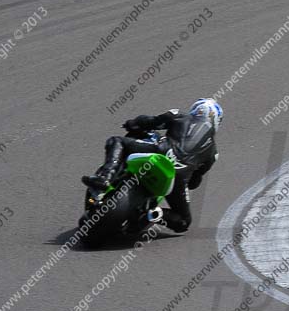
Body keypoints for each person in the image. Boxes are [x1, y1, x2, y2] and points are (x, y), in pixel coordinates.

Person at [81, 98, 223, 233]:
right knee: (184, 221)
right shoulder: (213, 153)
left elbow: (150, 122)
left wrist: (133, 123)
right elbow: (194, 182)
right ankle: (154, 214)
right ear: (217, 121)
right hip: (179, 177)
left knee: (117, 141)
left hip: (160, 152)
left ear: (195, 109)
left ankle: (105, 177)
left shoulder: (179, 115)